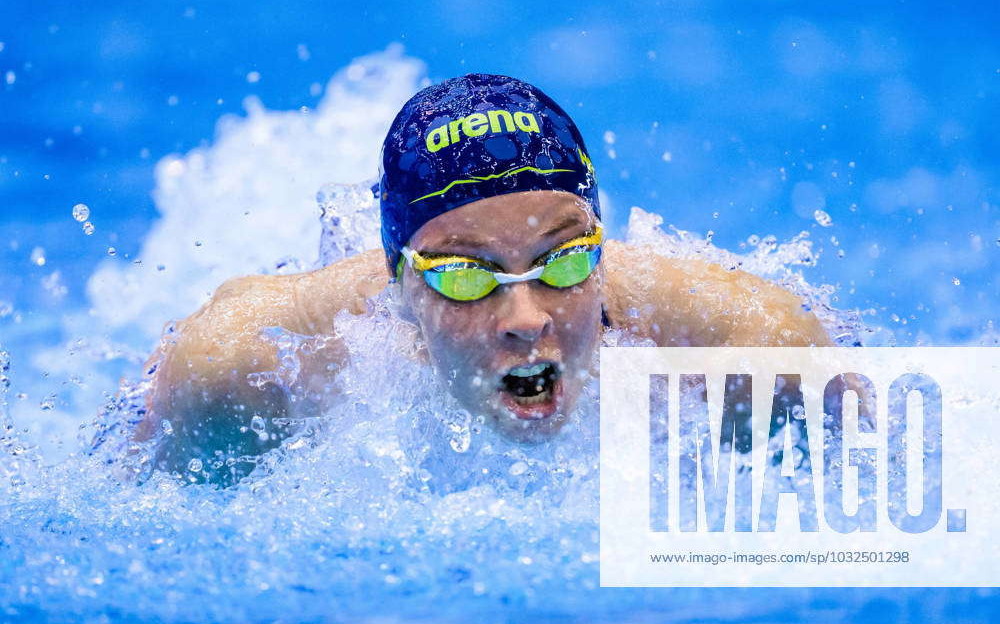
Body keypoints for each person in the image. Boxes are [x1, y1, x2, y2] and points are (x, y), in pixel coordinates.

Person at [127, 74, 830, 485]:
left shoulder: (758, 348)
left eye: (564, 260)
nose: (526, 316)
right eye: (465, 275)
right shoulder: (241, 368)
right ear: (399, 281)